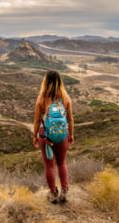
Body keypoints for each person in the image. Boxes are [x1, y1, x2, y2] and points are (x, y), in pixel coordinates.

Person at [33, 70, 74, 203]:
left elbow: (37, 120)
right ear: (60, 82)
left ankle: (53, 193)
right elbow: (70, 119)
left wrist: (35, 136)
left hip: (45, 136)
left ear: (45, 82)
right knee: (62, 163)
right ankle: (64, 191)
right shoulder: (66, 99)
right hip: (62, 135)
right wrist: (71, 135)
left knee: (49, 166)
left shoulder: (41, 99)